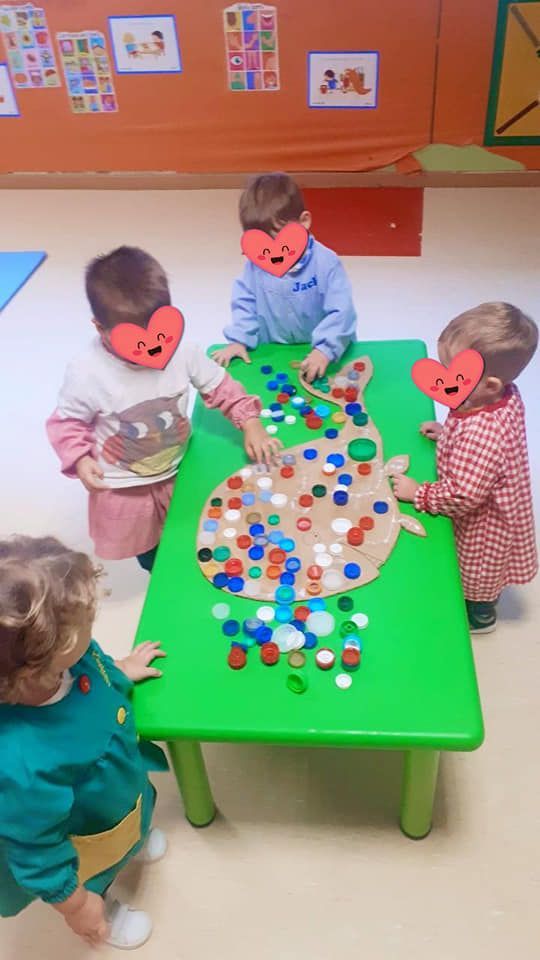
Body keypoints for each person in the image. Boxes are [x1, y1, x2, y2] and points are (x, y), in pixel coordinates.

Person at [47, 246, 279, 572]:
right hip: (124, 486)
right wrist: (81, 458)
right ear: (100, 328)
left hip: (177, 467)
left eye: (159, 334)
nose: (153, 349)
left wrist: (250, 420)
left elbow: (220, 386)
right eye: (135, 342)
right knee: (151, 555)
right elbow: (68, 422)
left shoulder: (183, 351)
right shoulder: (87, 371)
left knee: (192, 533)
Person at [0, 535, 167, 948]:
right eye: (83, 619)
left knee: (132, 818)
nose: (93, 619)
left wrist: (122, 669)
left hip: (117, 787)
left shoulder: (70, 660)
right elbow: (36, 852)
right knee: (95, 870)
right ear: (37, 662)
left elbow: (95, 661)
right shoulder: (18, 762)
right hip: (83, 829)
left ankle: (136, 837)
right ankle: (105, 907)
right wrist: (76, 905)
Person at [392, 303, 538, 634]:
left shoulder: (481, 435)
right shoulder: (501, 397)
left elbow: (462, 496)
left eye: (456, 378)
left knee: (478, 574)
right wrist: (449, 435)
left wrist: (420, 492)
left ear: (489, 386)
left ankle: (479, 616)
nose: (444, 383)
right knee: (481, 570)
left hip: (485, 524)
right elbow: (487, 445)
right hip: (494, 490)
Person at [212, 172, 357, 383]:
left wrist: (325, 349)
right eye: (263, 245)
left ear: (304, 222)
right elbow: (245, 302)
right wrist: (239, 340)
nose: (274, 254)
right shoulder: (255, 265)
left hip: (323, 352)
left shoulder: (326, 262)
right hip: (276, 350)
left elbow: (341, 312)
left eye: (280, 241)